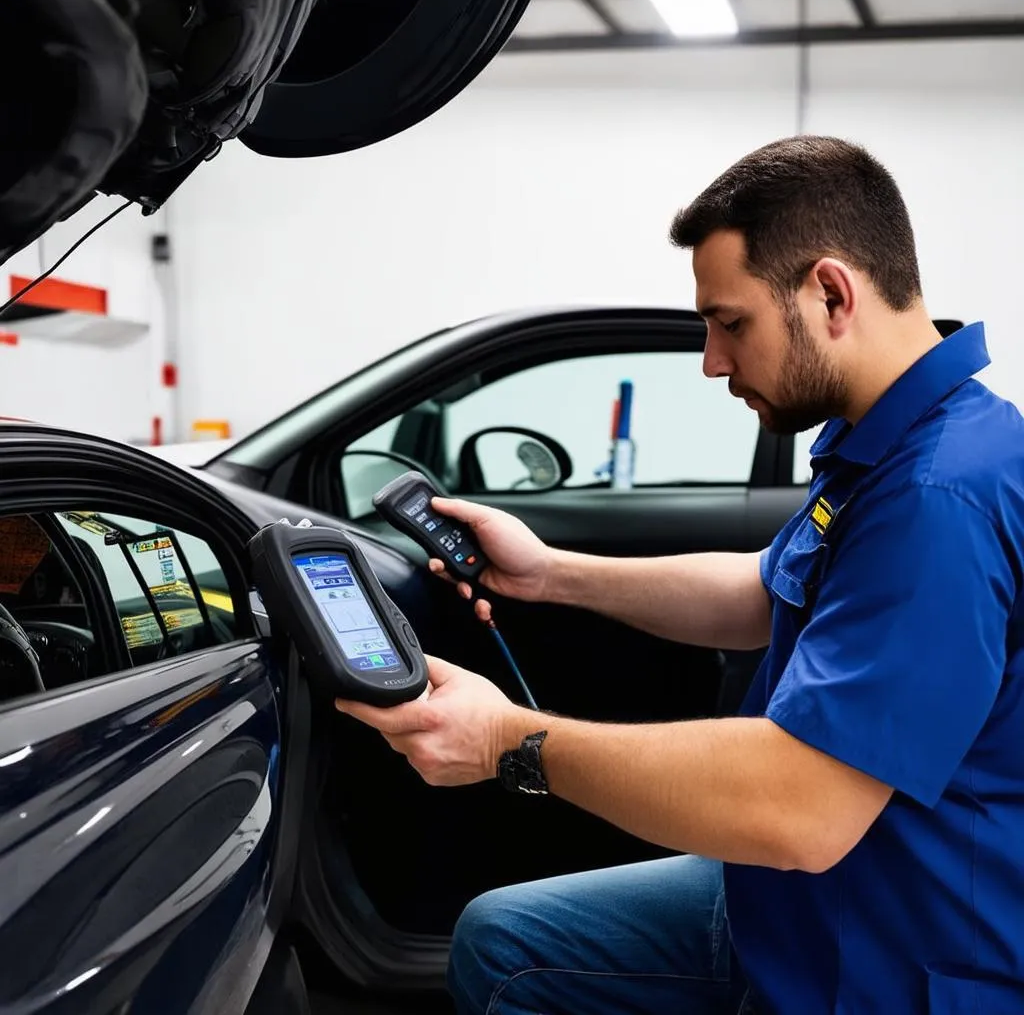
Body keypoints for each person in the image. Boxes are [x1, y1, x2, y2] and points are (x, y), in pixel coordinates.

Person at [335, 135, 1024, 1014]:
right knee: (504, 942)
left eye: (731, 322)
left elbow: (801, 809)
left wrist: (509, 741)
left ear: (830, 293)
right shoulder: (894, 441)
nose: (712, 360)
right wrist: (552, 575)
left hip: (888, 952)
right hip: (810, 898)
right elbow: (760, 591)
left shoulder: (939, 496)